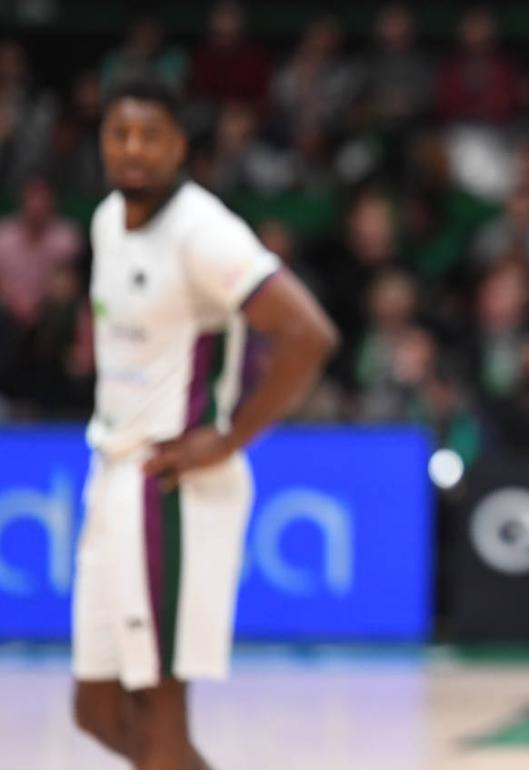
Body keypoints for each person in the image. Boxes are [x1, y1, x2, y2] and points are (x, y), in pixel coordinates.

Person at [72, 74, 338, 770]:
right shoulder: (106, 219)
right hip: (112, 473)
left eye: (149, 135)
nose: (133, 149)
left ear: (178, 145)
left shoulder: (204, 232)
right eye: (119, 134)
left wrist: (227, 439)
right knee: (95, 708)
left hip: (170, 489)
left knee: (160, 711)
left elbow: (307, 332)